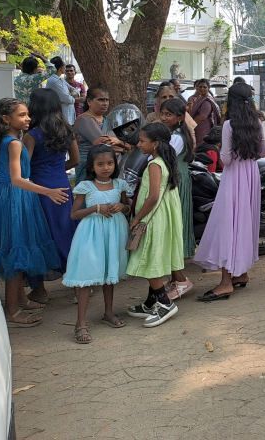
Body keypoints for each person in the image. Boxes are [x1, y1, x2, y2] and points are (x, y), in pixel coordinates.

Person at [0, 98, 67, 327]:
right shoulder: (14, 144)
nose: (28, 118)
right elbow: (17, 179)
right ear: (5, 118)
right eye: (22, 115)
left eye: (28, 114)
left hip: (7, 195)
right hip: (14, 197)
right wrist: (48, 191)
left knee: (17, 248)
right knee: (16, 251)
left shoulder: (8, 140)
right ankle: (12, 310)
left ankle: (20, 299)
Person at [194, 83, 265, 300]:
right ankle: (241, 273)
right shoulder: (257, 122)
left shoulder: (229, 125)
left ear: (230, 101)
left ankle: (226, 282)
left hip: (234, 177)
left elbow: (225, 159)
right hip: (251, 175)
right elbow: (263, 152)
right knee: (243, 224)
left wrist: (224, 151)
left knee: (229, 226)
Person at [63, 145, 130, 343]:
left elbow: (128, 207)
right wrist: (96, 208)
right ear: (92, 166)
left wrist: (122, 206)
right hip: (91, 235)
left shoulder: (120, 184)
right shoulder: (86, 186)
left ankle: (108, 312)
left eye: (110, 163)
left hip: (114, 233)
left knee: (110, 274)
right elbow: (74, 214)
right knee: (87, 275)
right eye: (100, 164)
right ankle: (80, 323)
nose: (106, 167)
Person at [22, 89, 80, 304]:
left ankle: (39, 290)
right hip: (62, 186)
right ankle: (78, 285)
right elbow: (75, 160)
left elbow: (24, 167)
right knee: (66, 233)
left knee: (38, 236)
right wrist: (56, 171)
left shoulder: (31, 135)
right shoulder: (67, 130)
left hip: (39, 189)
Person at [126, 123, 184, 327]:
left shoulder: (154, 165)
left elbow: (152, 197)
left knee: (149, 258)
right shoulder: (165, 160)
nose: (139, 144)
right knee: (154, 255)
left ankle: (165, 303)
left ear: (156, 143)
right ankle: (151, 302)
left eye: (142, 141)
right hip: (163, 216)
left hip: (152, 217)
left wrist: (137, 218)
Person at [160, 98, 196, 299]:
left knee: (174, 230)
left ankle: (181, 280)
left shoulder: (176, 138)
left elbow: (162, 158)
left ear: (180, 117)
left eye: (169, 114)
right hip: (176, 181)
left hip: (175, 184)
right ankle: (175, 278)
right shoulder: (175, 134)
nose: (164, 118)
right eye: (163, 113)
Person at [73, 87, 124, 181]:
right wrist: (125, 145)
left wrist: (119, 143)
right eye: (101, 100)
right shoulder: (84, 119)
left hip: (107, 169)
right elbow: (104, 145)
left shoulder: (106, 120)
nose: (105, 103)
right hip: (89, 169)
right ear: (89, 101)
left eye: (107, 100)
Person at [45, 56, 78, 125]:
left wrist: (70, 94)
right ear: (61, 68)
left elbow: (74, 90)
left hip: (67, 116)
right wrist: (73, 96)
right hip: (60, 117)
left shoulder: (60, 79)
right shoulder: (54, 81)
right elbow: (67, 99)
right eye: (64, 66)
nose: (65, 68)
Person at [187, 78, 220, 146]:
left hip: (203, 129)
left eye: (204, 87)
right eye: (200, 87)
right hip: (197, 127)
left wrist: (190, 126)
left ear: (208, 88)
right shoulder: (200, 98)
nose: (202, 89)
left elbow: (202, 116)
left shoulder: (207, 101)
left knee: (202, 146)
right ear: (197, 87)